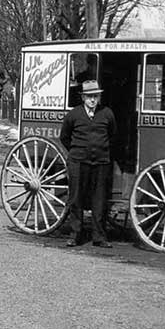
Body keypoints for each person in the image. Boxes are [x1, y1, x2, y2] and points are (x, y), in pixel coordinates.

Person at [59, 79, 116, 248]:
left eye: (96, 96)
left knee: (99, 199)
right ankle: (75, 235)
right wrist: (78, 151)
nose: (92, 100)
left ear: (99, 98)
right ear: (83, 97)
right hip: (78, 161)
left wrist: (101, 150)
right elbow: (65, 137)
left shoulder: (107, 114)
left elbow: (113, 135)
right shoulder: (74, 115)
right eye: (89, 96)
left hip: (100, 162)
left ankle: (99, 237)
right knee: (76, 198)